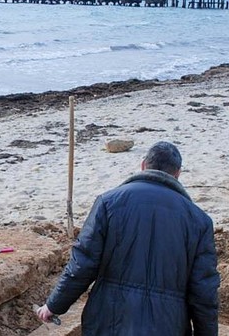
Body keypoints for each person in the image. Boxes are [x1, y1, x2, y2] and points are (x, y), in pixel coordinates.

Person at [36, 141, 219, 335]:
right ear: (178, 173)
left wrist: (54, 305)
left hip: (108, 321)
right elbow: (204, 292)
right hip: (166, 325)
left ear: (143, 165)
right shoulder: (199, 221)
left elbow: (82, 264)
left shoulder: (108, 203)